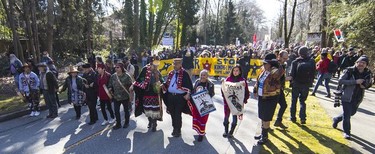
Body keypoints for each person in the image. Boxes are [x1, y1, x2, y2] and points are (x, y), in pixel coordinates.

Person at [332, 56, 372, 139]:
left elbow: (369, 83)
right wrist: (355, 82)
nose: (360, 64)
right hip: (346, 95)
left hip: (358, 97)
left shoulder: (367, 73)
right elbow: (340, 81)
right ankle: (347, 132)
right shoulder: (349, 70)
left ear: (366, 65)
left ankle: (336, 119)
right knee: (347, 116)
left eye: (363, 63)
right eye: (359, 62)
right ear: (356, 63)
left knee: (351, 113)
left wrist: (364, 86)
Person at [253, 53, 284, 144]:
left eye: (265, 63)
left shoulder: (273, 71)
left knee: (266, 118)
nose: (263, 65)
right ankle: (263, 133)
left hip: (270, 98)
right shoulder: (264, 71)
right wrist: (255, 90)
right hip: (262, 97)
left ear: (270, 64)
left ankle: (265, 137)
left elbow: (280, 73)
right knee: (262, 116)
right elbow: (258, 80)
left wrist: (279, 63)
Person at [162, 58, 193, 137]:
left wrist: (188, 93)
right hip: (170, 96)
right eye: (174, 63)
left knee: (177, 113)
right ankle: (174, 128)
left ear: (180, 64)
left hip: (180, 97)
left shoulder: (184, 73)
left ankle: (178, 130)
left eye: (176, 64)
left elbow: (189, 85)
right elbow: (168, 83)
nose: (174, 65)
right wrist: (163, 85)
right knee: (172, 112)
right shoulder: (171, 73)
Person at [133, 58, 164, 132]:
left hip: (155, 93)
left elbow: (162, 80)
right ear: (151, 63)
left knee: (155, 109)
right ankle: (150, 121)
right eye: (154, 64)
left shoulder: (157, 71)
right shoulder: (145, 69)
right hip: (146, 92)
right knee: (147, 108)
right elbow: (139, 79)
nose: (155, 65)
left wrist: (160, 82)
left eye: (156, 64)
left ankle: (154, 124)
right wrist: (136, 85)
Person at [288, 46, 316, 124]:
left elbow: (291, 75)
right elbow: (314, 73)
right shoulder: (312, 61)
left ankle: (292, 117)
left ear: (299, 53)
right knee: (302, 101)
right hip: (306, 84)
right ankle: (303, 118)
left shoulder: (295, 62)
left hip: (296, 84)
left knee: (294, 101)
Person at [221, 65, 250, 138]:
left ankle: (231, 132)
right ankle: (226, 130)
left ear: (240, 71)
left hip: (237, 102)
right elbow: (224, 90)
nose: (235, 72)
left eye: (237, 70)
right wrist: (223, 83)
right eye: (234, 70)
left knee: (234, 118)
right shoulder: (228, 79)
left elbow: (246, 91)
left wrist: (245, 100)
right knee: (226, 117)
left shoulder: (242, 80)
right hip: (228, 102)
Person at [189, 69, 215, 142]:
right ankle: (199, 131)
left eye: (204, 75)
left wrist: (206, 94)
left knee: (203, 120)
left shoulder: (210, 84)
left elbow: (212, 94)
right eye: (201, 75)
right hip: (196, 104)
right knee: (197, 118)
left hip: (205, 105)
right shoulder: (197, 81)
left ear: (207, 76)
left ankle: (201, 134)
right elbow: (193, 91)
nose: (202, 76)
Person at [107, 62, 133, 130]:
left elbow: (132, 85)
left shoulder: (127, 76)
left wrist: (131, 89)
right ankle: (118, 124)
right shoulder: (113, 76)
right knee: (116, 111)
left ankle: (126, 122)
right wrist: (109, 88)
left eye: (118, 67)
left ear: (121, 68)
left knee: (126, 110)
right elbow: (110, 84)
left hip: (125, 96)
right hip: (116, 97)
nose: (116, 68)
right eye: (115, 67)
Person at [274, 50, 289, 128]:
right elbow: (275, 78)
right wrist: (286, 79)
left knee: (283, 105)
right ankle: (265, 127)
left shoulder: (283, 65)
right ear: (279, 56)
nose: (285, 60)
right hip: (274, 89)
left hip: (280, 89)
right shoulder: (276, 65)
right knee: (271, 107)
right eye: (284, 58)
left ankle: (278, 120)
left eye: (287, 58)